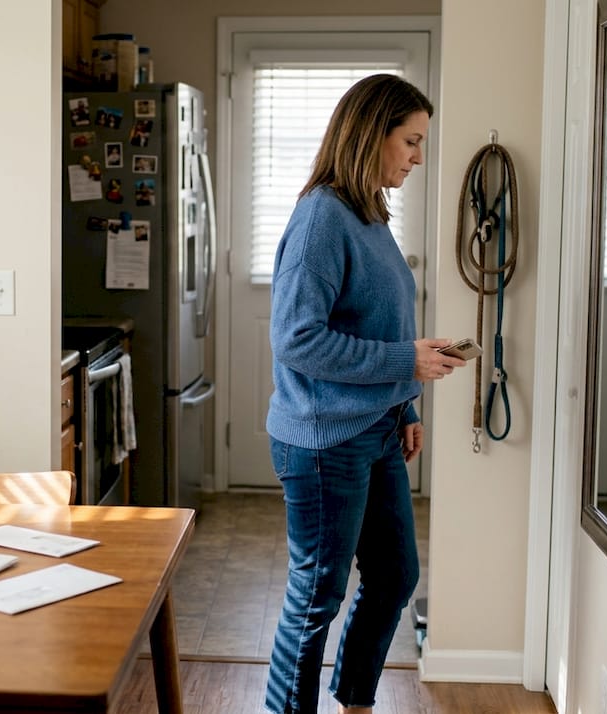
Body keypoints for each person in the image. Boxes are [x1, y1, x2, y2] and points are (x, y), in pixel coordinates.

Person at [264, 74, 466, 714]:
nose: (418, 157)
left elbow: (380, 323)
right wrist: (407, 362)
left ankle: (355, 704)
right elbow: (296, 339)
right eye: (411, 140)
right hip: (325, 440)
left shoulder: (369, 213)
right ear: (371, 134)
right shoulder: (322, 217)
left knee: (395, 576)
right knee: (316, 597)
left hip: (375, 427)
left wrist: (405, 403)